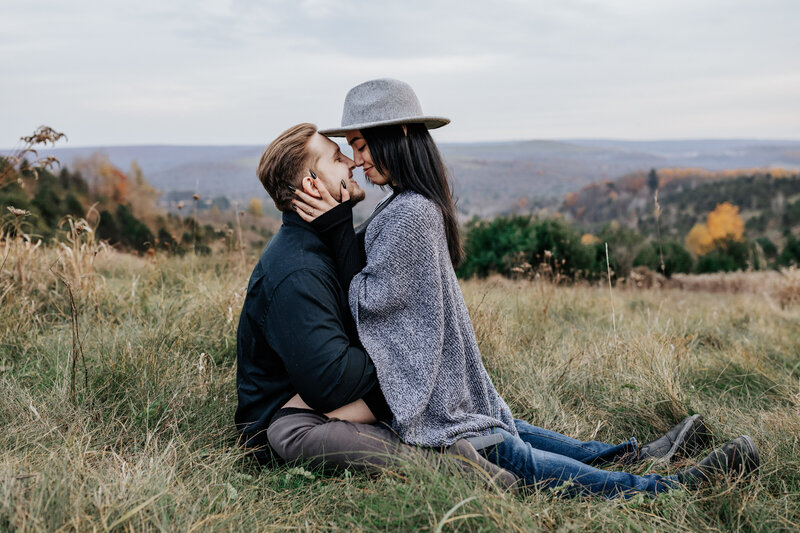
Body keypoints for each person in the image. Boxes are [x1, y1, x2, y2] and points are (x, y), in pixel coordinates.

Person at [290, 78, 760, 497]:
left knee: (516, 455)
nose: (357, 160)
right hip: (444, 388)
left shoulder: (409, 213)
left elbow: (367, 302)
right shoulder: (410, 204)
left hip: (431, 402)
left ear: (401, 136)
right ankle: (634, 457)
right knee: (512, 434)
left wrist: (334, 229)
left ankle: (669, 489)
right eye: (351, 148)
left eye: (362, 145)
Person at [234, 122, 518, 488]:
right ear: (312, 185)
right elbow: (332, 382)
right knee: (288, 430)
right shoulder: (298, 271)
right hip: (286, 418)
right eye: (338, 158)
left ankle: (611, 463)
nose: (352, 163)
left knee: (505, 440)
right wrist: (407, 364)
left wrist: (411, 360)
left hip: (324, 405)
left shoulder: (327, 245)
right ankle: (443, 463)